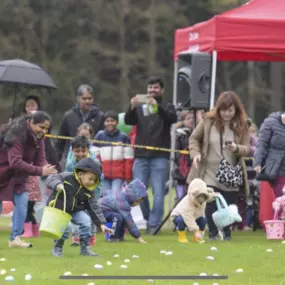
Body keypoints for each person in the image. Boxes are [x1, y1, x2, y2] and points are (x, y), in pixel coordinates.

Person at [188, 91, 250, 240]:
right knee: (211, 202)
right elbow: (194, 139)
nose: (226, 114)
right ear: (218, 108)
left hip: (231, 173)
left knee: (229, 206)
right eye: (223, 110)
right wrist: (195, 154)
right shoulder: (208, 121)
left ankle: (227, 234)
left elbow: (247, 148)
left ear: (236, 110)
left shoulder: (243, 124)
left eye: (230, 110)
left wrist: (237, 149)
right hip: (209, 171)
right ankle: (213, 234)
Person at [124, 76, 177, 235]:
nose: (152, 91)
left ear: (162, 90)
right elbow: (128, 121)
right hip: (141, 155)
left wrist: (158, 107)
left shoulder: (167, 106)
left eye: (156, 88)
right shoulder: (141, 106)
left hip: (160, 156)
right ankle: (148, 218)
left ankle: (154, 225)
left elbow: (172, 118)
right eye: (150, 88)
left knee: (159, 192)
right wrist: (131, 107)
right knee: (138, 192)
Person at [0, 111, 57, 248]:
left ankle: (15, 238)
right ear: (31, 123)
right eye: (41, 127)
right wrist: (40, 170)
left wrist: (47, 169)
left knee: (22, 203)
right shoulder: (17, 135)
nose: (43, 131)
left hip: (19, 176)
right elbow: (15, 162)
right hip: (3, 172)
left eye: (46, 129)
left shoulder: (39, 138)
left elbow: (40, 159)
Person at [46, 157, 112, 257]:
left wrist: (102, 223)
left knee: (86, 222)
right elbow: (51, 178)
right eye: (90, 179)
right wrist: (57, 184)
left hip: (74, 210)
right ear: (80, 174)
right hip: (59, 209)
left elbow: (94, 207)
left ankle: (85, 249)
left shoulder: (89, 190)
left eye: (94, 180)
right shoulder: (67, 177)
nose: (92, 182)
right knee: (65, 227)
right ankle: (57, 248)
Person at [65, 134, 103, 246]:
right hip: (75, 193)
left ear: (88, 150)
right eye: (77, 151)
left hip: (92, 192)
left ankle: (91, 237)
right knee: (76, 212)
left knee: (91, 214)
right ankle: (76, 237)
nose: (80, 154)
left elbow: (100, 178)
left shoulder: (94, 163)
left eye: (83, 151)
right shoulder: (71, 164)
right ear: (72, 151)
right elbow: (67, 176)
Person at [55, 84, 104, 165]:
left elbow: (103, 142)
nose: (87, 101)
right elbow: (60, 142)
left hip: (93, 159)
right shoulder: (68, 116)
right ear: (78, 99)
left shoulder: (100, 116)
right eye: (84, 98)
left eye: (90, 98)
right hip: (71, 159)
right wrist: (56, 161)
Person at [94, 111, 134, 193]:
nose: (110, 123)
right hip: (103, 175)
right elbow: (95, 156)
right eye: (107, 121)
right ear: (104, 123)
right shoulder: (99, 136)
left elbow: (128, 159)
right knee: (105, 197)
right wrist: (98, 171)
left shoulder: (124, 137)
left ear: (117, 122)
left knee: (116, 196)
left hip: (119, 175)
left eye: (112, 121)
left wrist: (128, 177)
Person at [171, 179, 216, 243]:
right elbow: (188, 218)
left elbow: (208, 198)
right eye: (199, 196)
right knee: (180, 220)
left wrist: (214, 196)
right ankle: (182, 237)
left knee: (203, 220)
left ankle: (197, 238)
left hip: (194, 217)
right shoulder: (187, 204)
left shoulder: (203, 201)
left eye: (203, 196)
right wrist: (196, 231)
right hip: (178, 216)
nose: (201, 199)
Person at [254, 111, 285, 198]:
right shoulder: (270, 122)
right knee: (271, 203)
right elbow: (262, 144)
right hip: (270, 171)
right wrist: (258, 162)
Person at [173, 111, 193, 202]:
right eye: (188, 118)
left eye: (192, 118)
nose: (191, 120)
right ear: (183, 121)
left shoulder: (199, 133)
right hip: (181, 174)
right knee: (181, 200)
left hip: (194, 173)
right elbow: (176, 153)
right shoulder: (179, 135)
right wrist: (184, 163)